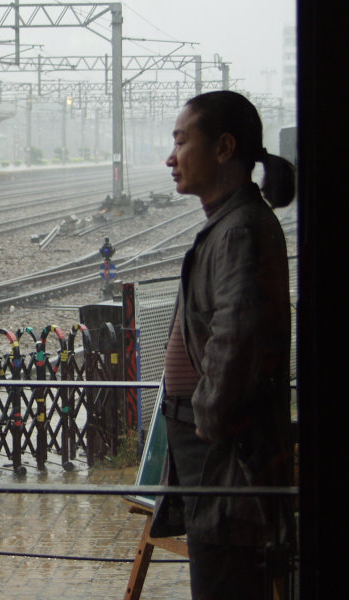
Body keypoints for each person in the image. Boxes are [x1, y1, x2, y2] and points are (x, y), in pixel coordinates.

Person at [150, 91, 296, 599]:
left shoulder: (240, 232)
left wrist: (204, 420)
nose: (171, 158)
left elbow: (234, 347)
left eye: (181, 141)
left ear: (224, 148)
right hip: (212, 463)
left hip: (227, 467)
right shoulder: (232, 224)